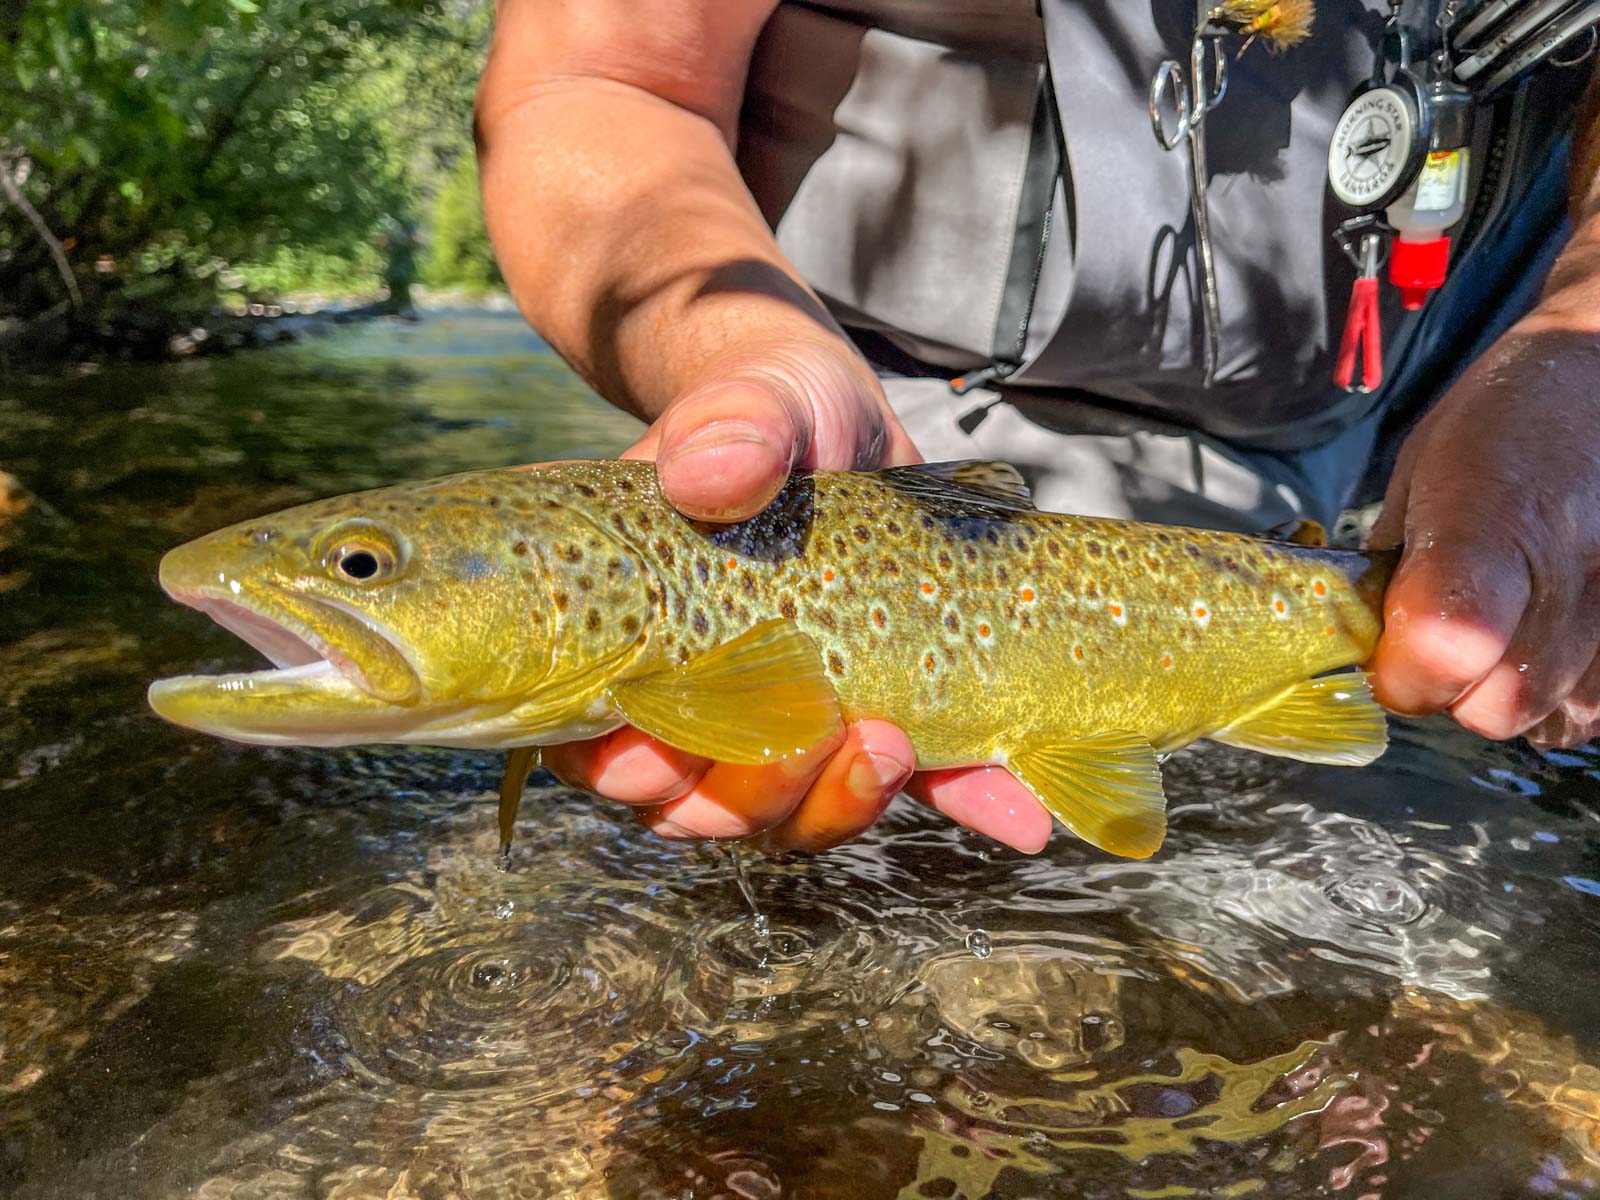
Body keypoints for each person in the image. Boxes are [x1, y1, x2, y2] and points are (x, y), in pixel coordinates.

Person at [475, 0, 1600, 855]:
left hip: (1382, 450)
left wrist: (1582, 341)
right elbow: (603, 78)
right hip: (861, 442)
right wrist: (738, 354)